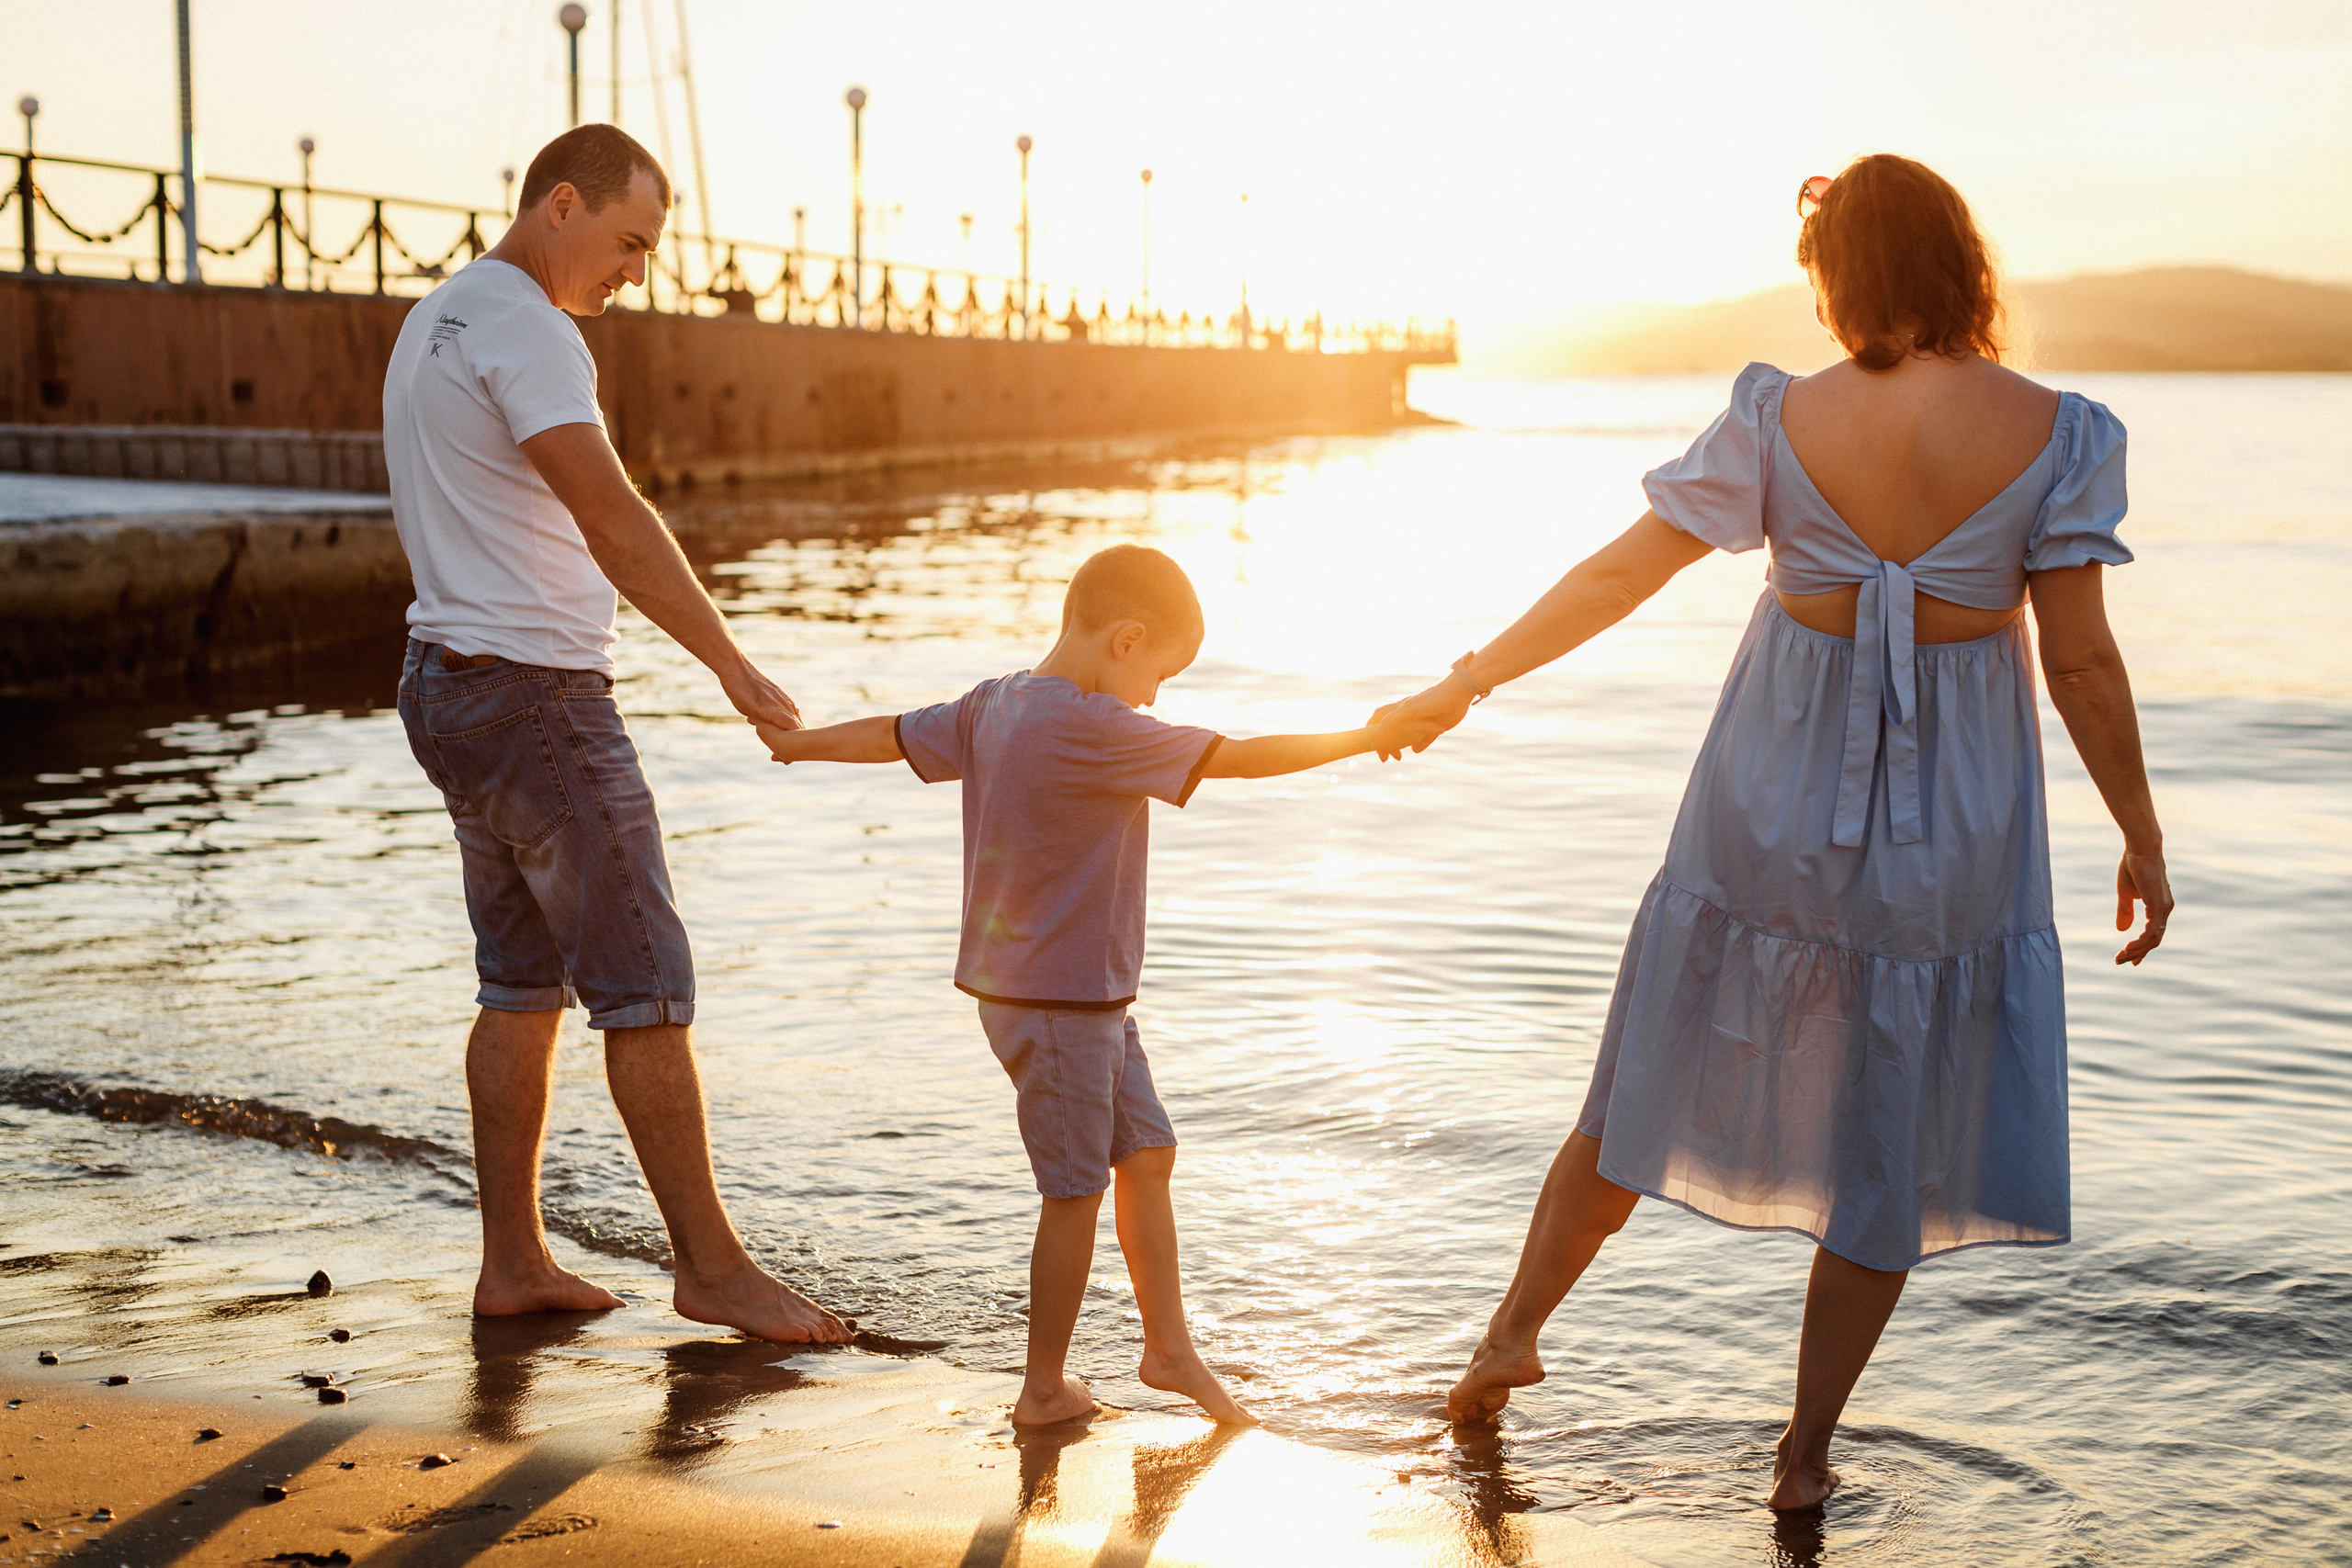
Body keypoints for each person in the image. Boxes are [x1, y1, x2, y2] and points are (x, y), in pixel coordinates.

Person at [1375, 154, 2174, 1508]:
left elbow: (1622, 573)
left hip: (1763, 803)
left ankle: (1510, 1334)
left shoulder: (1776, 414)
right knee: (1888, 1137)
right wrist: (2141, 835)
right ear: (1962, 265)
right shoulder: (2061, 431)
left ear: (1840, 277)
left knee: (1644, 1074)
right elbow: (2082, 663)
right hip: (1949, 833)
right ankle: (1802, 1456)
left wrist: (1469, 679)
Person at [753, 544, 1442, 1426]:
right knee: (1074, 1192)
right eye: (1161, 673)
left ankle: (1167, 1350)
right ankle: (1043, 1387)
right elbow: (1238, 757)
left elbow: (889, 734)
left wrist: (797, 745)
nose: (1154, 696)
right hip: (1061, 1005)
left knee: (1146, 1155)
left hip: (1078, 997)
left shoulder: (995, 703)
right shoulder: (1094, 726)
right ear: (1127, 639)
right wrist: (1368, 734)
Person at [386, 124, 849, 1344]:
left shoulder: (436, 318)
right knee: (645, 983)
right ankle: (714, 1270)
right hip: (535, 697)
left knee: (518, 982)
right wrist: (733, 664)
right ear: (562, 204)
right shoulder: (533, 329)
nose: (637, 272)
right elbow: (613, 516)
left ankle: (513, 1260)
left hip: (445, 680)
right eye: (630, 241)